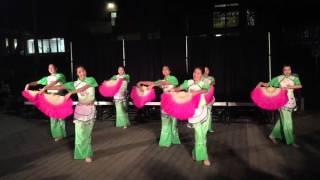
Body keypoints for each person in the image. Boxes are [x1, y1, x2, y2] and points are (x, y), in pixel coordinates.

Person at [48, 66, 98, 163]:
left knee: (87, 134)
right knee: (79, 133)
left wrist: (71, 92)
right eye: (79, 72)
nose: (82, 73)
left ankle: (87, 154)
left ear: (85, 71)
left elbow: (84, 87)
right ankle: (81, 154)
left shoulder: (91, 79)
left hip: (90, 109)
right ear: (77, 74)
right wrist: (46, 88)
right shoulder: (75, 83)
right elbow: (60, 87)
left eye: (83, 71)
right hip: (80, 109)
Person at [173, 67, 211, 166]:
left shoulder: (203, 83)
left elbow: (205, 89)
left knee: (203, 136)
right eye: (194, 72)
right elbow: (179, 88)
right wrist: (173, 90)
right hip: (194, 113)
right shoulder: (189, 83)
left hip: (204, 111)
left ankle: (196, 152)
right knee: (199, 135)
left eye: (198, 73)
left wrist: (196, 92)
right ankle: (204, 157)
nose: (195, 74)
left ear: (201, 75)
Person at [258, 65, 302, 148]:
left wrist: (291, 86)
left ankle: (273, 135)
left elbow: (300, 85)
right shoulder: (279, 78)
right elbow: (269, 84)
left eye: (289, 69)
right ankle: (291, 141)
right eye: (285, 70)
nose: (287, 71)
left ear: (291, 70)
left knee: (282, 120)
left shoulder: (294, 78)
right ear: (283, 71)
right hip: (282, 101)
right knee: (288, 121)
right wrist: (261, 83)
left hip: (291, 101)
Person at [137, 66, 181, 147]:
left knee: (174, 123)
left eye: (166, 69)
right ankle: (165, 142)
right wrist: (141, 82)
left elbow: (164, 83)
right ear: (162, 72)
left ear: (169, 71)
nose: (165, 70)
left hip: (173, 102)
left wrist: (154, 84)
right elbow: (151, 82)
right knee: (165, 122)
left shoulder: (173, 78)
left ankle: (174, 139)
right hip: (165, 103)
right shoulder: (161, 81)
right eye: (163, 69)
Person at [25, 64, 67, 142]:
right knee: (53, 118)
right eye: (49, 68)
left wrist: (44, 88)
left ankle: (63, 134)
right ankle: (57, 135)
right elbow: (37, 82)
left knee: (61, 117)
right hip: (51, 98)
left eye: (52, 67)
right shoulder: (47, 78)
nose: (50, 69)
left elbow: (55, 82)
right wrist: (29, 84)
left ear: (56, 68)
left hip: (60, 97)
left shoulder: (60, 75)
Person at [203, 66, 215, 133]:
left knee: (209, 113)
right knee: (202, 113)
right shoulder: (200, 77)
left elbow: (212, 84)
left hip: (209, 97)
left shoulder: (211, 78)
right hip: (202, 98)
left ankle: (209, 128)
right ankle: (203, 127)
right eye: (205, 70)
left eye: (207, 70)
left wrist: (207, 80)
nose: (206, 71)